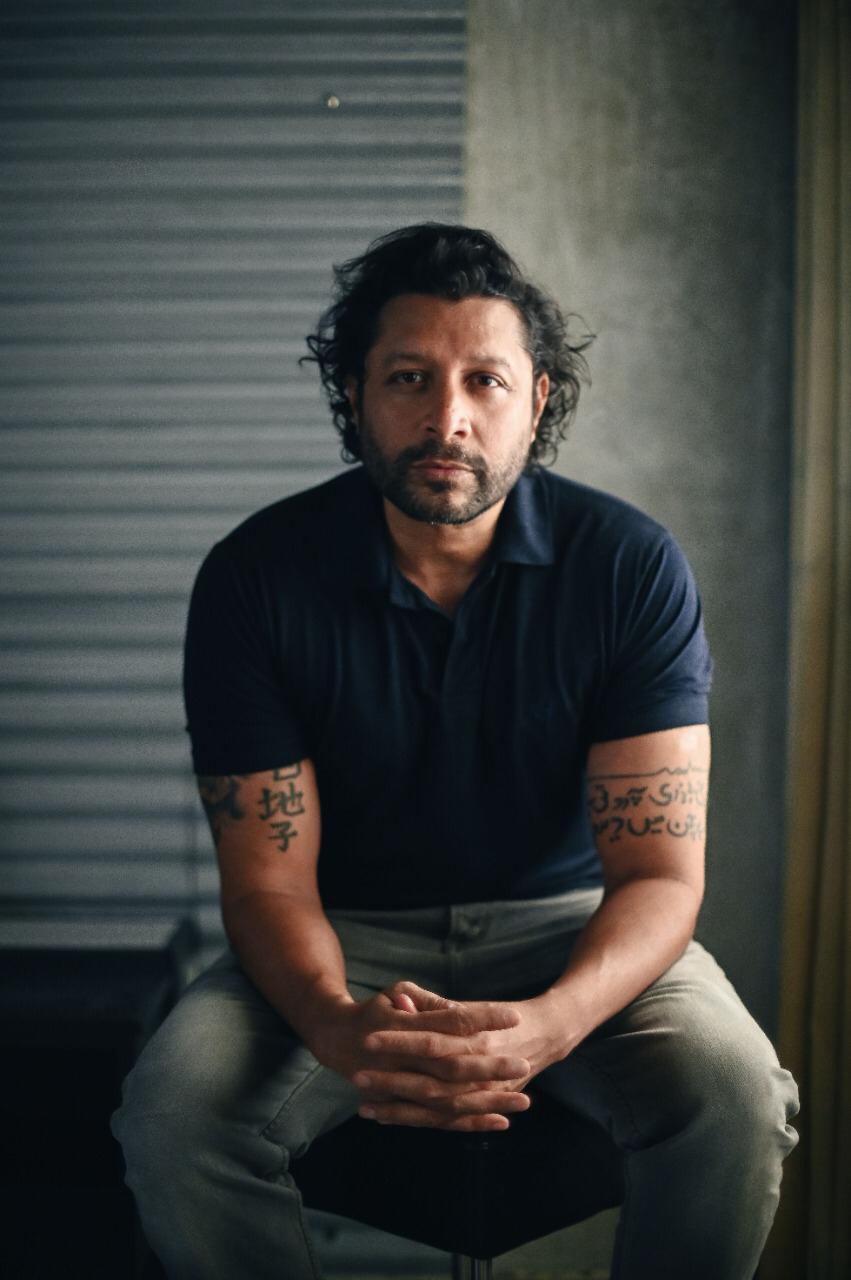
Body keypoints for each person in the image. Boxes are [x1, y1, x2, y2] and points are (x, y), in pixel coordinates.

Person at [113, 223, 799, 1279]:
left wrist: (550, 1021)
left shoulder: (627, 566)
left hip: (567, 927)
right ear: (353, 393)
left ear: (537, 399)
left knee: (737, 1094)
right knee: (173, 1112)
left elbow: (660, 875)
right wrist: (335, 1025)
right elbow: (266, 883)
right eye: (407, 378)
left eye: (485, 380)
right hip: (339, 933)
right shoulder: (256, 577)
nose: (447, 418)